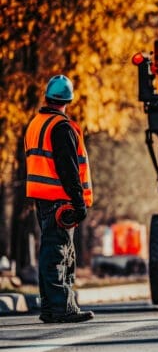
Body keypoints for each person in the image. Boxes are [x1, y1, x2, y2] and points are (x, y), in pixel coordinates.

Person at [24, 75, 94, 323]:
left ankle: (51, 308)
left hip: (43, 200)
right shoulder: (61, 127)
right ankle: (63, 309)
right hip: (60, 200)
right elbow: (68, 168)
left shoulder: (36, 124)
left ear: (47, 96)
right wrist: (79, 202)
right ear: (68, 100)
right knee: (59, 253)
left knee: (50, 251)